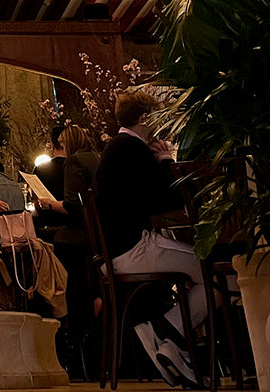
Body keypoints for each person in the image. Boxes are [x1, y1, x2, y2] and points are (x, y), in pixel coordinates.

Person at [95, 90, 204, 389]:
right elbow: (173, 198)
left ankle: (172, 339)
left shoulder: (117, 148)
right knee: (217, 271)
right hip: (134, 248)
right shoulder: (132, 148)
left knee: (208, 271)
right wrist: (167, 161)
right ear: (145, 118)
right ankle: (169, 330)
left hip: (116, 251)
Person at [41, 125, 100, 377]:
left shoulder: (74, 162)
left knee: (72, 296)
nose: (61, 150)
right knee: (93, 295)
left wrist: (50, 205)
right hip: (97, 240)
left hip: (76, 240)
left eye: (63, 145)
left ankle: (74, 356)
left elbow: (74, 205)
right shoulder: (96, 158)